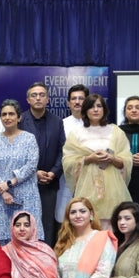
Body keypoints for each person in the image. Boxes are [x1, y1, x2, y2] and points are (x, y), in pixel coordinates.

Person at [62, 94, 132, 227]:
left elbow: (127, 160)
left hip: (112, 187)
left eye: (99, 106)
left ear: (104, 110)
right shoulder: (76, 133)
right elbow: (68, 161)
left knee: (112, 223)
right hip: (87, 185)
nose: (95, 110)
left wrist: (112, 159)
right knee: (87, 221)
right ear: (85, 111)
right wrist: (89, 159)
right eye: (91, 106)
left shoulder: (116, 131)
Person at [0, 99, 42, 243]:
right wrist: (3, 191)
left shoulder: (29, 139)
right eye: (4, 114)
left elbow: (31, 165)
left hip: (26, 196)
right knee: (2, 241)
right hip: (0, 198)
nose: (7, 117)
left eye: (11, 114)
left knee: (27, 237)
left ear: (19, 117)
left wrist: (10, 183)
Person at [19, 82, 66, 244]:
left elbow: (63, 151)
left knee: (47, 224)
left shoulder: (57, 122)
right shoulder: (20, 120)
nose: (38, 98)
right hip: (25, 183)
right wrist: (34, 172)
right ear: (28, 99)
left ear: (47, 99)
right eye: (34, 95)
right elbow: (16, 152)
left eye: (42, 95)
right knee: (24, 223)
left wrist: (54, 172)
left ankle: (45, 261)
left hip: (50, 183)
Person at [54, 84, 88, 223]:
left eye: (81, 98)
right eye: (74, 99)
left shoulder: (95, 124)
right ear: (68, 102)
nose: (77, 102)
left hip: (88, 177)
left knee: (87, 215)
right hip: (65, 177)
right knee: (64, 216)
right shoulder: (61, 124)